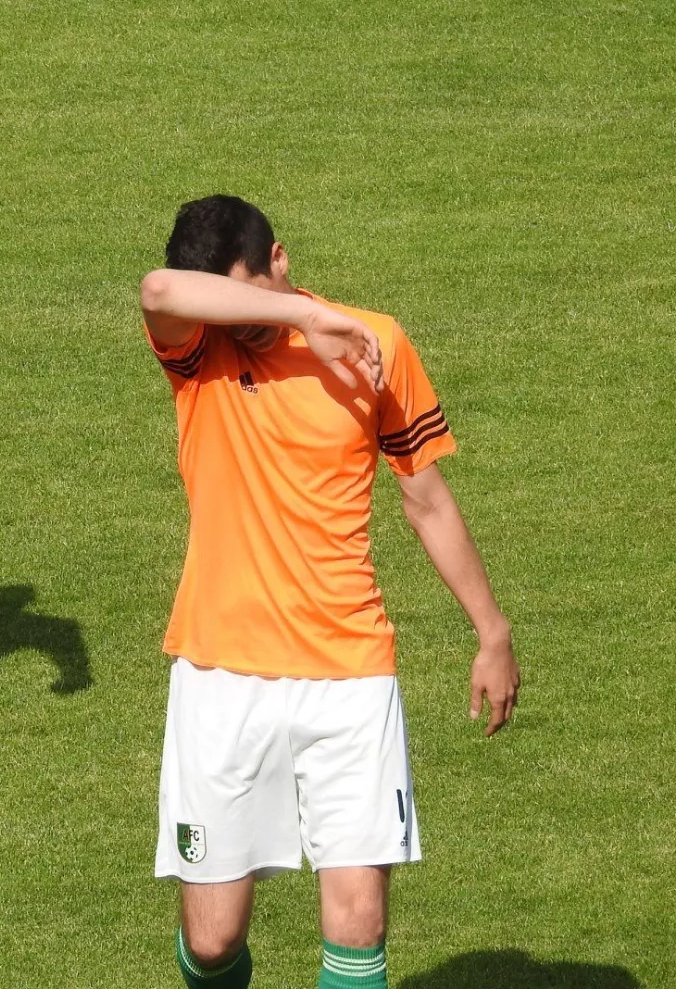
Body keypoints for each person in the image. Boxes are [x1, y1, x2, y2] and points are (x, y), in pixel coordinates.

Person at [139, 195, 520, 989]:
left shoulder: (376, 342)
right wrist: (299, 318)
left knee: (357, 924)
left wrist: (491, 630)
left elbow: (426, 499)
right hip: (222, 673)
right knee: (212, 941)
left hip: (350, 672)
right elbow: (159, 291)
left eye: (254, 298)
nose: (246, 325)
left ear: (281, 258)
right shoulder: (199, 350)